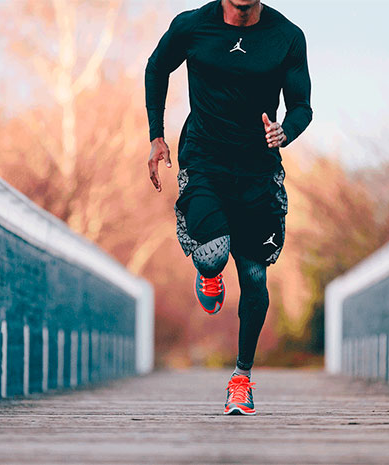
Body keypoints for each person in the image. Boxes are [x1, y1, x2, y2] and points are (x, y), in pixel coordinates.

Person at [145, 0, 312, 415]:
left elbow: (302, 107)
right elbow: (156, 67)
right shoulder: (192, 27)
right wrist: (156, 135)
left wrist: (285, 131)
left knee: (255, 279)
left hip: (256, 171)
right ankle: (208, 274)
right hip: (204, 159)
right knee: (213, 254)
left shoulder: (286, 37)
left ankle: (241, 378)